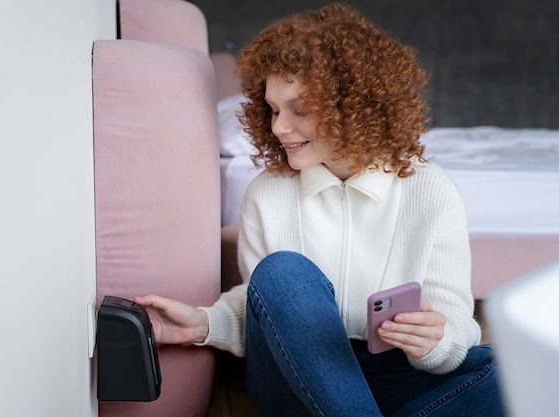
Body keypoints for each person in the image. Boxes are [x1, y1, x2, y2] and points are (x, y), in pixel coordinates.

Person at [133, 3, 505, 416]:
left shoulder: (432, 192)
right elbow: (268, 305)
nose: (278, 127)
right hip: (294, 378)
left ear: (355, 108)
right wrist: (203, 324)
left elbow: (455, 321)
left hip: (399, 374)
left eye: (299, 110)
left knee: (509, 372)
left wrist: (437, 342)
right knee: (282, 272)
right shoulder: (267, 194)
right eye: (273, 109)